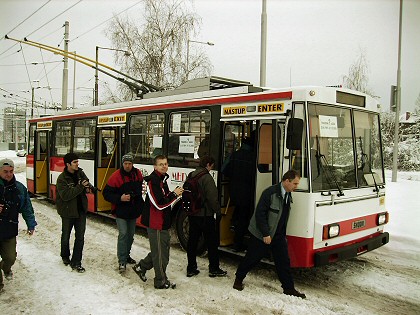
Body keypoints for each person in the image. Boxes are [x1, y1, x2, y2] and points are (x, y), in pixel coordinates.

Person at [233, 170, 306, 299]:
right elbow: (260, 215)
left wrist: (282, 235)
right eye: (295, 183)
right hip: (262, 234)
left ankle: (289, 288)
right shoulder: (270, 193)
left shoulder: (288, 194)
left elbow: (282, 217)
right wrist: (266, 234)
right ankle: (238, 279)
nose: (296, 186)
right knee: (252, 258)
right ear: (286, 181)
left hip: (278, 235)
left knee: (283, 262)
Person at [132, 155, 183, 289]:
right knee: (161, 254)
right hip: (156, 223)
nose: (164, 166)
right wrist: (175, 195)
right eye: (161, 164)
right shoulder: (152, 181)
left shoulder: (162, 179)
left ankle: (141, 267)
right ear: (155, 167)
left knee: (161, 251)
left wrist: (173, 194)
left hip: (162, 222)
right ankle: (160, 280)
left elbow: (164, 197)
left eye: (165, 164)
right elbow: (159, 204)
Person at [186, 155, 227, 278]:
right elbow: (212, 198)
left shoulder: (191, 175)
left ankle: (191, 268)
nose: (211, 168)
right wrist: (218, 211)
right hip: (205, 215)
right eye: (211, 166)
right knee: (212, 243)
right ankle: (214, 268)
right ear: (208, 165)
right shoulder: (207, 178)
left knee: (192, 241)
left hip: (193, 214)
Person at [0, 158, 37, 292]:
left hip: (9, 229)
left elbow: (27, 208)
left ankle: (6, 267)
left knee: (10, 257)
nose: (8, 174)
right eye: (5, 171)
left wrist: (31, 224)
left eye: (11, 171)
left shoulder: (19, 188)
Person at [102, 154, 144, 274]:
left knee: (130, 235)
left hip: (133, 210)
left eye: (129, 163)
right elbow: (106, 193)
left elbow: (139, 190)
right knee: (123, 234)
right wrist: (120, 198)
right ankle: (121, 260)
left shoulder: (138, 174)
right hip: (120, 211)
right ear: (122, 163)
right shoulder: (116, 176)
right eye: (125, 163)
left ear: (132, 164)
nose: (127, 166)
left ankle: (126, 255)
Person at [56, 152, 93, 273]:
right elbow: (66, 195)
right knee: (66, 235)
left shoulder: (80, 173)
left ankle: (76, 262)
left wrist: (89, 187)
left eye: (78, 161)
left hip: (80, 210)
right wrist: (80, 187)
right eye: (75, 162)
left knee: (80, 237)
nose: (77, 164)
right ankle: (65, 256)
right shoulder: (62, 179)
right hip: (67, 211)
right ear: (68, 164)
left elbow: (86, 182)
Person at [221, 136, 255, 252]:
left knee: (239, 213)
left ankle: (233, 227)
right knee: (244, 218)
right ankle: (238, 244)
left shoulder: (234, 155)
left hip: (233, 191)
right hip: (248, 193)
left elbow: (224, 169)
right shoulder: (254, 157)